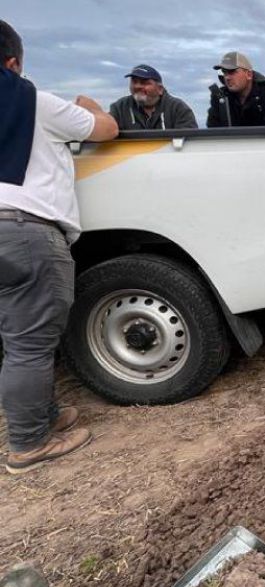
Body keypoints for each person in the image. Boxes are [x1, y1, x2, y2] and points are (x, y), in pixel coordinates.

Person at [0, 20, 118, 474]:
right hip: (26, 231)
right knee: (30, 343)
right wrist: (88, 104)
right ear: (12, 62)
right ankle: (29, 443)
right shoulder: (34, 101)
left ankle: (41, 416)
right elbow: (105, 128)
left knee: (16, 334)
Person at [206, 51, 265, 127]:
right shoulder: (220, 98)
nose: (227, 77)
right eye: (224, 72)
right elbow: (213, 133)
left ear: (249, 74)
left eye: (232, 72)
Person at [109, 64, 197, 131]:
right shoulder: (119, 108)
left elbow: (190, 142)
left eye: (144, 82)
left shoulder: (178, 108)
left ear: (160, 89)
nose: (137, 86)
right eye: (134, 82)